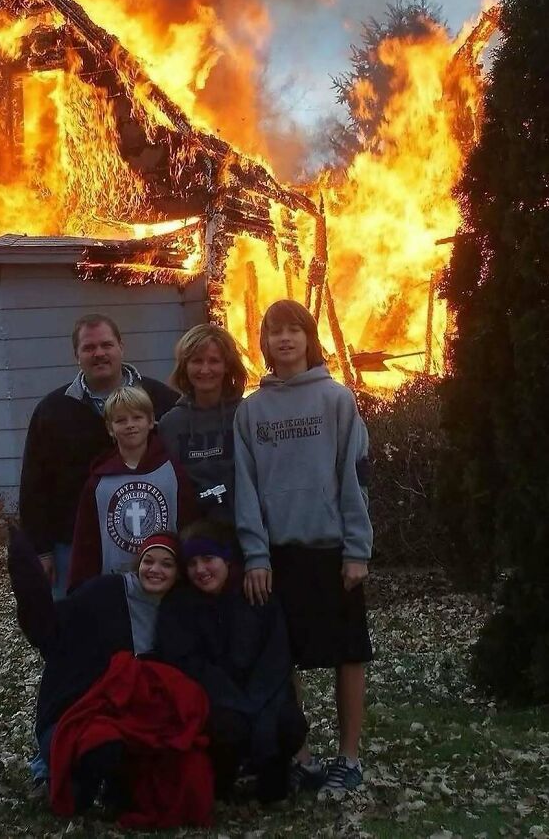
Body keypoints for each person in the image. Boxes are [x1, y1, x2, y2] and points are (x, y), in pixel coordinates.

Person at [233, 299, 373, 795]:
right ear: (265, 344)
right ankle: (302, 755)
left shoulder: (337, 400)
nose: (284, 340)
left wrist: (357, 549)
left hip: (331, 547)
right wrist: (255, 554)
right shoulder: (250, 411)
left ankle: (349, 756)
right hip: (278, 553)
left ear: (309, 338)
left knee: (348, 652)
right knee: (282, 657)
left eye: (294, 330)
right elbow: (246, 489)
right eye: (274, 332)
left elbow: (352, 479)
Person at [7, 527, 213, 827]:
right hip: (89, 706)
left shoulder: (181, 609)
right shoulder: (104, 593)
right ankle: (78, 781)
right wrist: (28, 581)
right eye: (148, 561)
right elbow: (50, 631)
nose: (155, 570)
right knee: (98, 745)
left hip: (145, 714)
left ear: (178, 573)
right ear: (138, 563)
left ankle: (122, 790)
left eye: (166, 564)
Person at [19, 313, 178, 601]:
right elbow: (34, 484)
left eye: (106, 345)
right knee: (80, 627)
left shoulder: (161, 400)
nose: (99, 354)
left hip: (149, 543)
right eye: (89, 348)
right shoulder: (54, 411)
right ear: (76, 355)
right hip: (73, 544)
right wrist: (40, 550)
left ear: (121, 347)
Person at [156, 520, 307, 805]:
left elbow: (276, 657)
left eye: (208, 559)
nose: (200, 569)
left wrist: (257, 706)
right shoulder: (178, 606)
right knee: (227, 727)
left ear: (226, 559)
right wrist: (237, 704)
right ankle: (220, 779)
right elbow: (188, 664)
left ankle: (272, 778)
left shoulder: (257, 595)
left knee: (287, 724)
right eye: (192, 563)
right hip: (215, 699)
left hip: (260, 696)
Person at [67, 385, 197, 591]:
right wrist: (80, 588)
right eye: (121, 420)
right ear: (110, 428)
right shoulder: (99, 482)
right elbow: (86, 541)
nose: (130, 425)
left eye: (137, 417)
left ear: (150, 421)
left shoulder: (172, 472)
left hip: (170, 587)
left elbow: (188, 526)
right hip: (116, 587)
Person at [159, 324, 248, 522]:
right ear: (185, 366)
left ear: (227, 366)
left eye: (214, 361)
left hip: (242, 527)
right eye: (196, 361)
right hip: (192, 531)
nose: (205, 369)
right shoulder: (170, 424)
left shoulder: (246, 415)